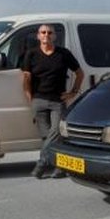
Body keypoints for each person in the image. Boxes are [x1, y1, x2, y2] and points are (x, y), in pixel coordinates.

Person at [21, 24, 84, 179]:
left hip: (58, 101)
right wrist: (30, 98)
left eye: (50, 32)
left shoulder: (63, 54)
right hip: (39, 100)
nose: (46, 35)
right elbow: (26, 77)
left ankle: (41, 165)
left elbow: (79, 73)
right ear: (38, 36)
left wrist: (73, 92)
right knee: (46, 136)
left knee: (55, 133)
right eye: (43, 32)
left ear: (54, 36)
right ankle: (60, 167)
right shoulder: (31, 54)